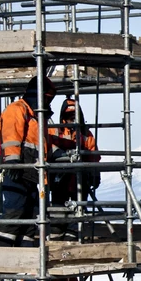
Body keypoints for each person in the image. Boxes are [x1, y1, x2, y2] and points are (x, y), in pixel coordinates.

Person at [0, 76, 56, 247]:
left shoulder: (36, 116)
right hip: (18, 170)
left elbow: (43, 144)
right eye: (48, 98)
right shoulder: (17, 109)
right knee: (15, 212)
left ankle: (25, 257)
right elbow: (11, 136)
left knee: (32, 215)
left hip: (32, 172)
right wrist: (13, 162)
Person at [48, 96, 101, 240]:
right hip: (60, 180)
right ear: (63, 116)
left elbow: (93, 155)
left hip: (81, 181)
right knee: (58, 214)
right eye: (68, 115)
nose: (72, 118)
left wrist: (95, 174)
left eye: (74, 115)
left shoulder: (85, 134)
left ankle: (72, 241)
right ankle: (55, 241)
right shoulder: (55, 131)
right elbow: (49, 152)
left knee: (77, 215)